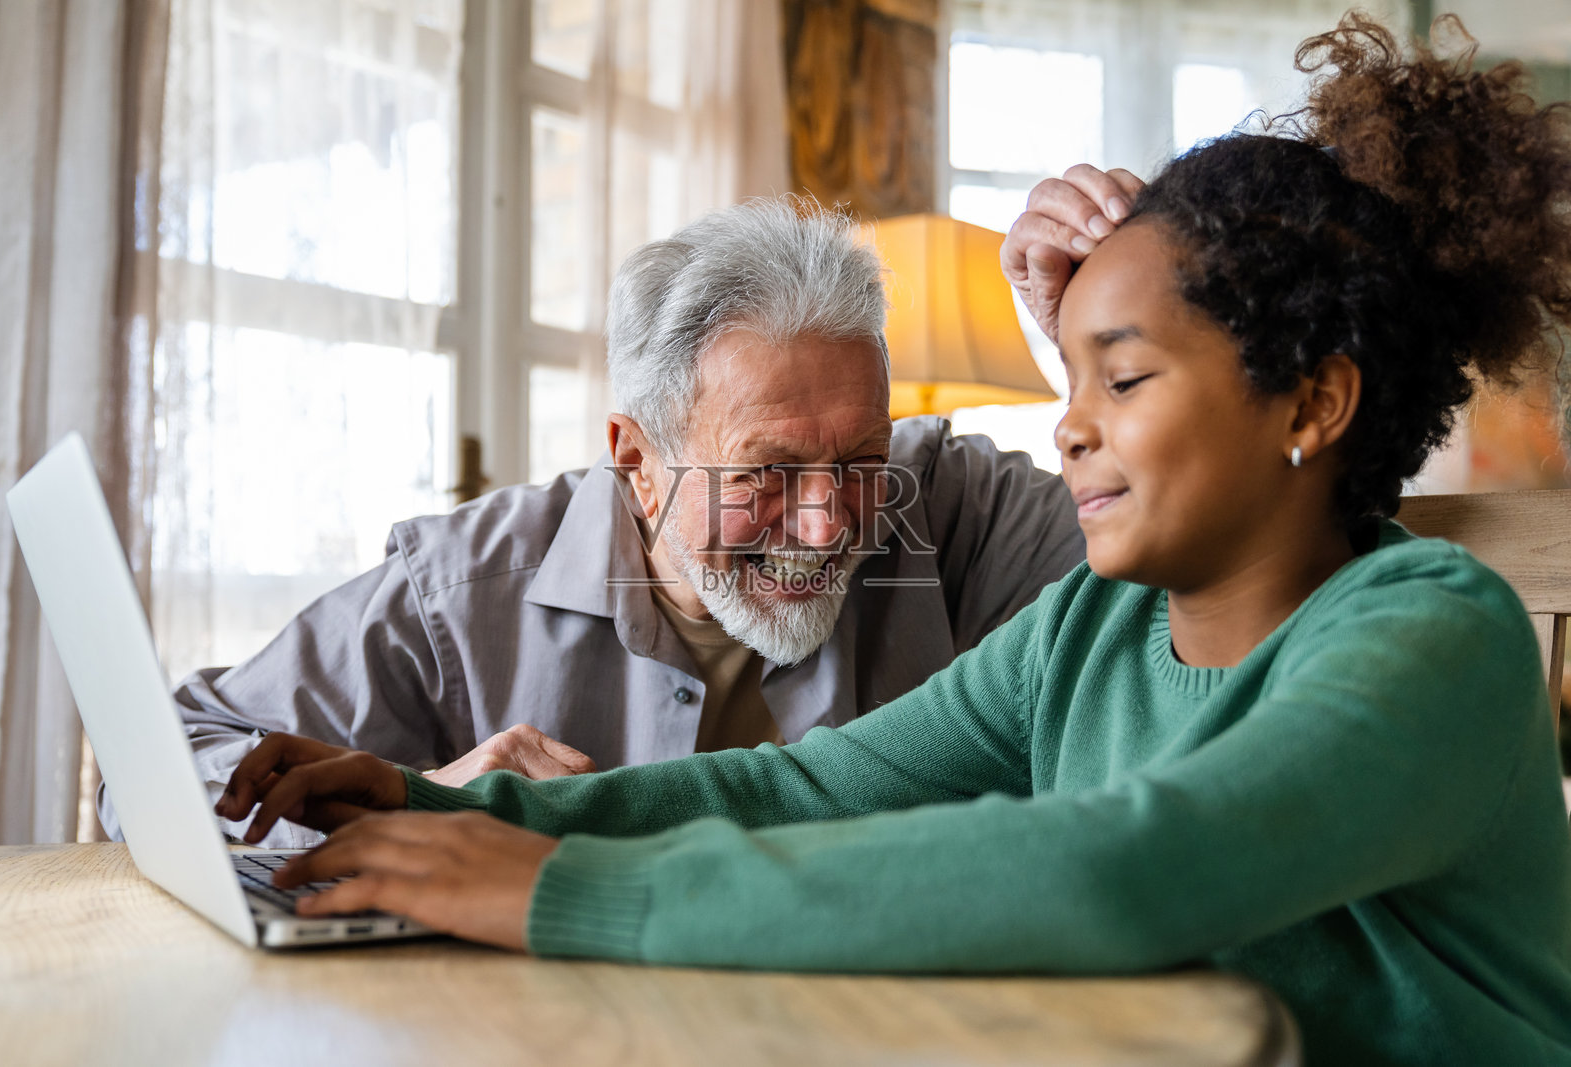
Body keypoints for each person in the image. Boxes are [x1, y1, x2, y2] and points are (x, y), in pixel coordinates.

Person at [217, 16, 1571, 1064]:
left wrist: (559, 888)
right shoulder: (1088, 633)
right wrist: (446, 806)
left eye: (1122, 379)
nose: (1067, 430)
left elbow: (1120, 866)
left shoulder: (1433, 631)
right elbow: (798, 790)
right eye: (1069, 379)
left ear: (1314, 402)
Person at [111, 199, 1084, 848]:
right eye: (768, 472)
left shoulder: (955, 510)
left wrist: (1088, 338)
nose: (830, 523)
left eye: (862, 461)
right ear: (636, 463)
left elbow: (1200, 565)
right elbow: (149, 768)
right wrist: (425, 799)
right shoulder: (460, 588)